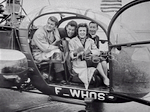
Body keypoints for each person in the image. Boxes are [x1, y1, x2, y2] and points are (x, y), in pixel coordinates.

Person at [69, 23, 109, 89]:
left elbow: (97, 51)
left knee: (104, 62)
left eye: (84, 31)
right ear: (78, 32)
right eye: (80, 31)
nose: (82, 32)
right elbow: (72, 55)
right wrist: (79, 53)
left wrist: (90, 52)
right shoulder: (72, 41)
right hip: (79, 62)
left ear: (86, 32)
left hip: (89, 59)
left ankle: (104, 81)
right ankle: (105, 78)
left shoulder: (90, 41)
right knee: (96, 61)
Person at [31, 16, 65, 83]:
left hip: (48, 51)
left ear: (55, 26)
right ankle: (59, 76)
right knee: (57, 52)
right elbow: (46, 48)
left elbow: (58, 39)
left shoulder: (55, 30)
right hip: (39, 54)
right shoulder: (40, 33)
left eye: (51, 24)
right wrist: (57, 47)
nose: (49, 25)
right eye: (48, 23)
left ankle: (64, 74)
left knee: (64, 53)